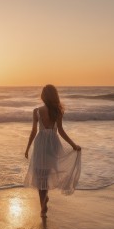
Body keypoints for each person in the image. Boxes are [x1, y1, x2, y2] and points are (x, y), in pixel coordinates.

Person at [24, 85, 82, 217]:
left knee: (40, 176)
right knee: (48, 172)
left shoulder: (36, 111)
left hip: (40, 144)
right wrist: (73, 145)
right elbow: (60, 131)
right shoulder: (57, 111)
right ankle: (45, 200)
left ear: (43, 96)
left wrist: (27, 148)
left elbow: (34, 131)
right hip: (53, 145)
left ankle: (42, 205)